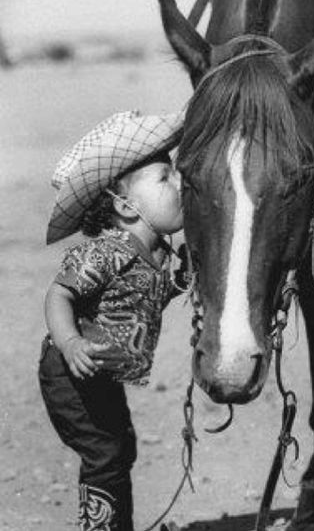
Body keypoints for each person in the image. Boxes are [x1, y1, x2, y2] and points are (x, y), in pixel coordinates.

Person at [39, 110, 188, 531]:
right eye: (165, 178)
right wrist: (69, 343)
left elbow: (152, 295)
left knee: (119, 449)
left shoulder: (159, 254)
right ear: (125, 206)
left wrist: (183, 279)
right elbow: (60, 294)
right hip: (70, 368)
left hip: (100, 372)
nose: (179, 183)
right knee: (105, 452)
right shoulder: (108, 251)